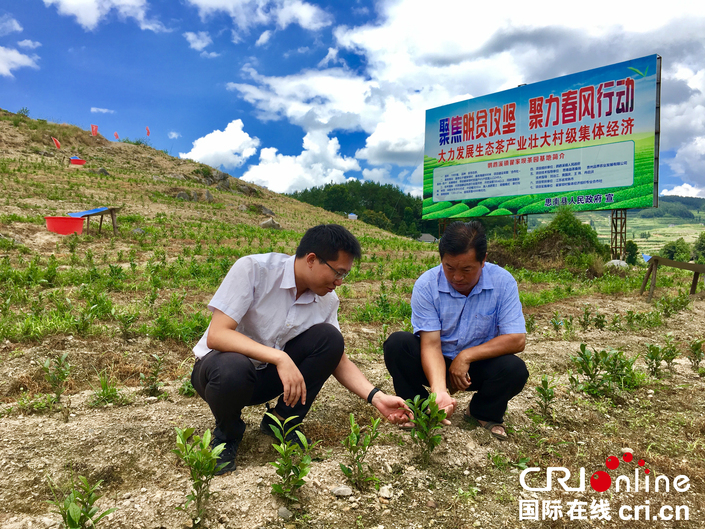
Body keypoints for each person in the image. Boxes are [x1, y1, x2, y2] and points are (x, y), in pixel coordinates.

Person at [191, 224, 409, 474]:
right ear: (312, 260)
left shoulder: (327, 300)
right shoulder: (254, 269)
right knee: (232, 367)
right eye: (338, 272)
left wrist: (377, 398)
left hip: (267, 378)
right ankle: (227, 434)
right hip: (220, 376)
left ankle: (281, 422)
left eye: (345, 275)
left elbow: (338, 359)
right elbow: (217, 335)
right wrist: (280, 358)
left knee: (331, 339)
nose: (339, 282)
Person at [383, 220, 528, 441]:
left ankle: (482, 412)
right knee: (397, 345)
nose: (457, 277)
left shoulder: (503, 282)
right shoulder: (427, 285)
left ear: (483, 260)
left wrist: (467, 356)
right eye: (449, 268)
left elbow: (517, 339)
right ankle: (420, 408)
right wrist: (440, 390)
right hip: (434, 361)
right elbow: (430, 344)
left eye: (466, 269)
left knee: (514, 369)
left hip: (474, 369)